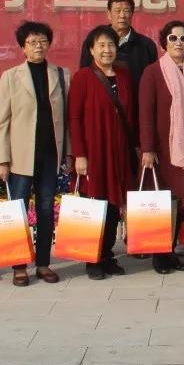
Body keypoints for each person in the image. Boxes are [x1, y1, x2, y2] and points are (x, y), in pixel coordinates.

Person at [0, 21, 72, 287]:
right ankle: (19, 266)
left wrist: (69, 154)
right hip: (20, 157)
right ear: (23, 47)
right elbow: (1, 122)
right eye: (32, 42)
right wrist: (1, 160)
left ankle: (43, 263)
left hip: (50, 155)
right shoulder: (10, 76)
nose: (38, 46)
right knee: (19, 211)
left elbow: (67, 120)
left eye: (43, 41)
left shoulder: (61, 74)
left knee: (46, 209)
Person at [69, 25, 139, 280]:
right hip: (95, 151)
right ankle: (93, 259)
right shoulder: (83, 77)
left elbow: (131, 114)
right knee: (96, 203)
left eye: (110, 45)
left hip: (119, 150)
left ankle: (108, 255)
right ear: (91, 50)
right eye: (101, 45)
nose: (106, 50)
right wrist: (80, 154)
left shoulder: (124, 75)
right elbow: (74, 118)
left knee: (113, 206)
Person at [139, 20, 184, 275]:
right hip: (163, 150)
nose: (179, 43)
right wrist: (147, 148)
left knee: (180, 203)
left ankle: (172, 252)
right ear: (164, 42)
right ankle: (160, 257)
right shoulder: (153, 72)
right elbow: (145, 113)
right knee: (162, 203)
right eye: (173, 38)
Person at [79, 0, 158, 98]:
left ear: (132, 14)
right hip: (98, 103)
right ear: (108, 14)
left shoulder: (147, 45)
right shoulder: (93, 42)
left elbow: (153, 83)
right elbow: (83, 78)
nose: (122, 15)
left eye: (126, 11)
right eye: (117, 11)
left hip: (135, 104)